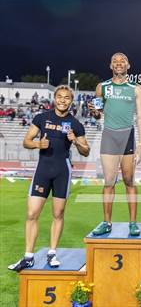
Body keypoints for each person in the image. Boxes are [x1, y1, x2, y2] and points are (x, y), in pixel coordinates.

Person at [8, 85, 90, 272]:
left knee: (58, 214)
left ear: (71, 100)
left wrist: (76, 141)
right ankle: (28, 256)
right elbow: (26, 141)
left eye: (67, 97)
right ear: (54, 99)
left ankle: (52, 253)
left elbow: (86, 151)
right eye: (59, 97)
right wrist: (38, 144)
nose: (63, 100)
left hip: (62, 171)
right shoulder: (41, 118)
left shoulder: (76, 124)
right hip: (43, 171)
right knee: (31, 214)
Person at [88, 52, 141, 236]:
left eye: (122, 61)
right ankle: (106, 222)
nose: (119, 63)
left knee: (129, 181)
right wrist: (94, 112)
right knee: (109, 182)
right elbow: (97, 114)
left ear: (128, 65)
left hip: (127, 136)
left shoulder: (136, 88)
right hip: (109, 137)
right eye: (115, 61)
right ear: (110, 66)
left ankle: (133, 223)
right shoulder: (101, 87)